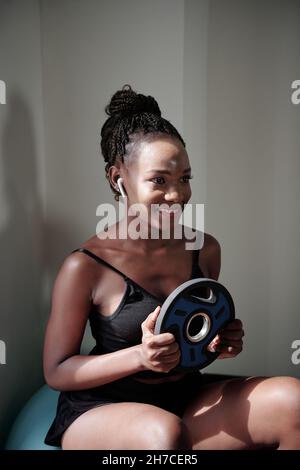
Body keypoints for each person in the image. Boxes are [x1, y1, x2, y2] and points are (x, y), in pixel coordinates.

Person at [43, 85, 300, 450]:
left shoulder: (205, 249)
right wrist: (139, 357)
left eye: (185, 179)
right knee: (163, 436)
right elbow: (56, 371)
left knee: (293, 401)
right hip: (104, 409)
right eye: (159, 180)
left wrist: (218, 343)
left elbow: (195, 339)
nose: (178, 195)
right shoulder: (84, 266)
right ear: (118, 179)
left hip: (184, 398)